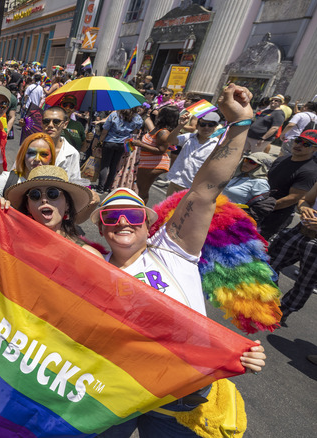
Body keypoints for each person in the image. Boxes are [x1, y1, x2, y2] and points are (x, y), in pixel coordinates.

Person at [93, 84, 266, 438]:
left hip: (180, 396)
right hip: (116, 391)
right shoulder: (92, 268)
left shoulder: (172, 249)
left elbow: (205, 189)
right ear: (101, 229)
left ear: (147, 222)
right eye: (111, 217)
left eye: (131, 214)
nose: (122, 222)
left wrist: (240, 124)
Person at [5, 165, 102, 256]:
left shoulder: (88, 256)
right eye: (35, 195)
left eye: (52, 193)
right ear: (27, 206)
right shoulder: (11, 241)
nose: (44, 200)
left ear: (67, 204)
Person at [269, 181, 317, 326]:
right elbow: (305, 200)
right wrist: (304, 209)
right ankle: (267, 300)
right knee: (270, 263)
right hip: (300, 230)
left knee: (304, 283)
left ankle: (281, 313)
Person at [257, 130, 317, 239]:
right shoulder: (283, 158)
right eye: (298, 140)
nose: (299, 145)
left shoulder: (310, 171)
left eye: (306, 144)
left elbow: (294, 198)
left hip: (275, 215)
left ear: (315, 149)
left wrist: (266, 208)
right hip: (259, 207)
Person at [132, 105, 184, 204]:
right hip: (147, 163)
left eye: (159, 112)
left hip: (153, 165)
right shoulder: (158, 129)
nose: (156, 113)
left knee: (142, 191)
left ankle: (141, 212)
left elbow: (161, 150)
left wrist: (141, 144)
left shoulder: (163, 132)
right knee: (139, 188)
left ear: (164, 116)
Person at [164, 112, 221, 195]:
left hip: (194, 189)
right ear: (197, 126)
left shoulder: (217, 146)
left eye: (210, 125)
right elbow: (170, 140)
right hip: (176, 182)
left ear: (215, 127)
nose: (206, 127)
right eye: (203, 124)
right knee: (168, 208)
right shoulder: (189, 137)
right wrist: (180, 126)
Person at [97, 108, 144, 193]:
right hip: (123, 144)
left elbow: (105, 131)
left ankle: (100, 187)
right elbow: (134, 133)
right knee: (114, 165)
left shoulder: (114, 115)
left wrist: (100, 142)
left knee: (105, 165)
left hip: (109, 141)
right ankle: (107, 187)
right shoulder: (138, 118)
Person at [222, 152, 274, 223]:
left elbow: (261, 206)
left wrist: (244, 217)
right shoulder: (238, 175)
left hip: (232, 219)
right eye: (246, 160)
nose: (245, 163)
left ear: (262, 167)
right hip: (218, 211)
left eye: (252, 162)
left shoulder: (260, 182)